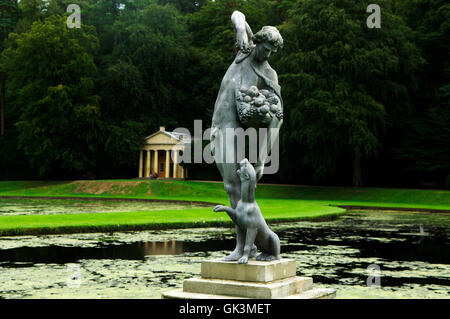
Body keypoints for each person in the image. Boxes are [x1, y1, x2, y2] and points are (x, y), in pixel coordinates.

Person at [211, 11, 284, 261]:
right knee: (230, 186)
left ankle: (247, 247)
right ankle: (251, 246)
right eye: (265, 49)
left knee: (236, 187)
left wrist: (262, 158)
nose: (268, 55)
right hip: (217, 128)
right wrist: (241, 29)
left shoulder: (269, 74)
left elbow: (277, 116)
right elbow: (236, 14)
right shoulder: (245, 51)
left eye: (272, 52)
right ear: (258, 42)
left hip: (233, 130)